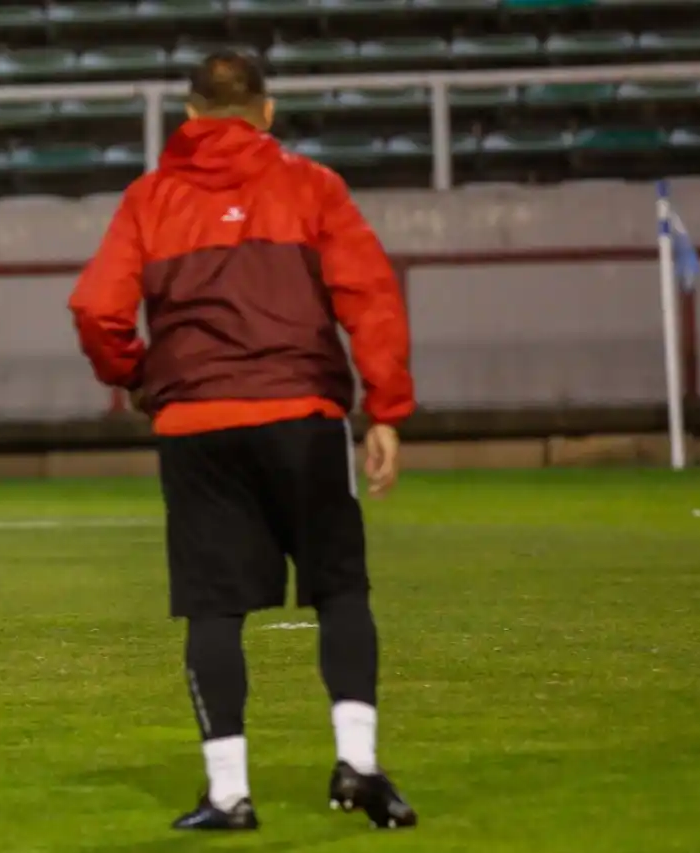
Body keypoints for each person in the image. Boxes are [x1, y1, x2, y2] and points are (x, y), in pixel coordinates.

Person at [68, 50, 418, 832]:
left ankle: (229, 793)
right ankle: (358, 768)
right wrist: (386, 408)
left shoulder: (150, 198)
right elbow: (370, 294)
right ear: (266, 112)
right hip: (304, 415)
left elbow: (97, 307)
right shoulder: (312, 187)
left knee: (215, 608)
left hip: (198, 424)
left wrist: (135, 374)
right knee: (339, 589)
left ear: (190, 116)